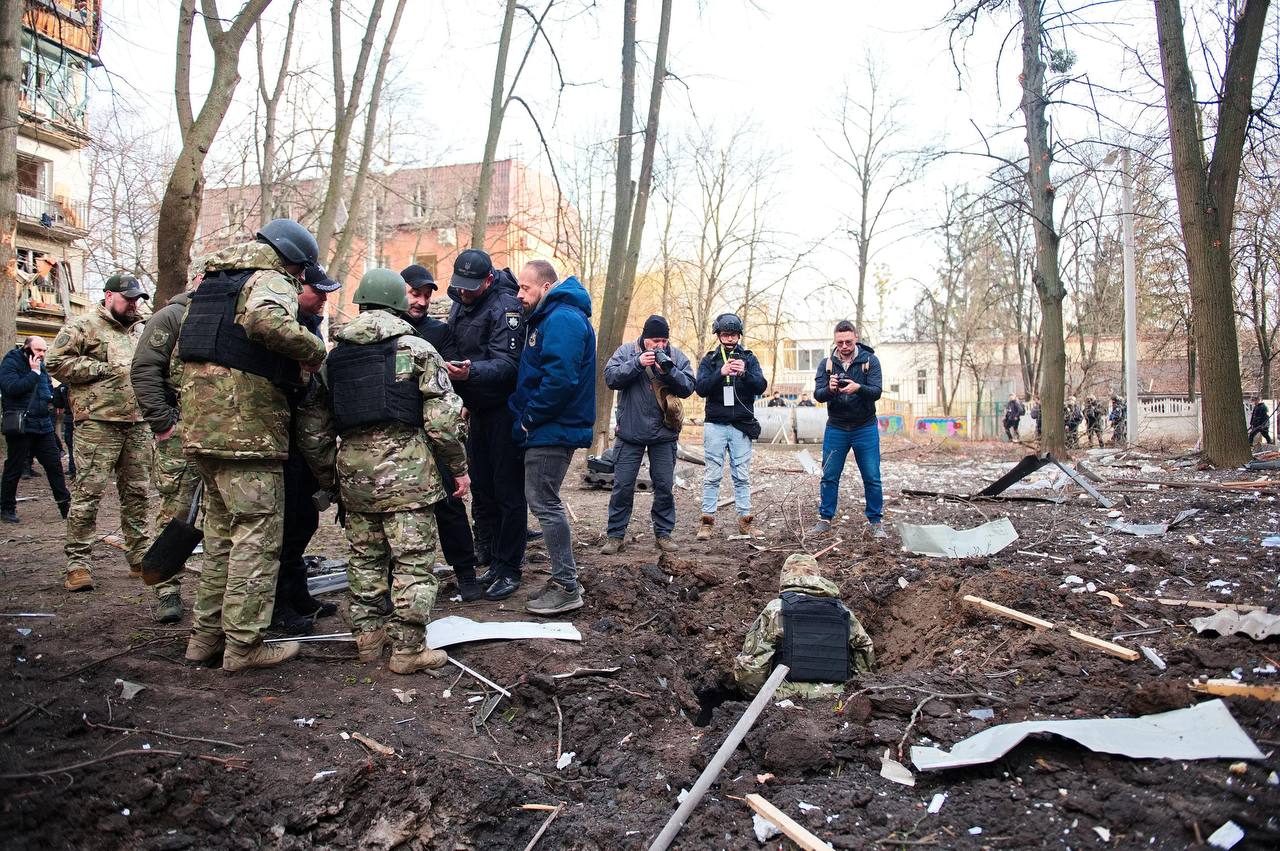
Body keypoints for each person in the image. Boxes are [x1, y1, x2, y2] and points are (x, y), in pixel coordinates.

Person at [297, 268, 470, 673]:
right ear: (397, 303)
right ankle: (408, 651)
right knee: (413, 562)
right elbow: (443, 423)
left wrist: (330, 477)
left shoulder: (334, 357)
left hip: (354, 475)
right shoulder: (419, 350)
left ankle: (368, 639)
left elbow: (313, 428)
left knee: (365, 559)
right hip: (409, 477)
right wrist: (458, 467)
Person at [175, 218, 328, 672]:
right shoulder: (269, 279)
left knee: (221, 536)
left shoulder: (211, 285)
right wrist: (314, 353)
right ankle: (244, 645)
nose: (301, 281)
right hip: (248, 432)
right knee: (257, 538)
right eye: (302, 272)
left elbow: (181, 355)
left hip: (203, 429)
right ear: (293, 262)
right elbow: (266, 321)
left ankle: (205, 638)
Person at [46, 275, 152, 593]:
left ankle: (139, 557)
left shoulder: (142, 330)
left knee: (137, 495)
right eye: (128, 298)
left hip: (138, 423)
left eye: (137, 299)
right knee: (87, 495)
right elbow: (54, 362)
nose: (134, 304)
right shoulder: (83, 326)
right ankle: (78, 564)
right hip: (98, 423)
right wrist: (101, 368)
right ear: (109, 296)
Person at [510, 259, 594, 616]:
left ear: (546, 287)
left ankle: (566, 584)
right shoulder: (552, 317)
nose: (519, 295)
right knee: (544, 500)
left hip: (551, 428)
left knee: (544, 501)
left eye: (525, 288)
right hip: (548, 426)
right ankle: (564, 578)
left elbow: (560, 379)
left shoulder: (561, 319)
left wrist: (530, 418)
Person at [446, 249, 528, 602]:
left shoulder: (506, 307)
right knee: (483, 488)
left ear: (489, 280)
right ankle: (493, 560)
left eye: (471, 287)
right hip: (475, 408)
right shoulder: (458, 300)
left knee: (508, 491)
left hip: (502, 409)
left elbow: (509, 364)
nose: (464, 293)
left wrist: (470, 372)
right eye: (460, 286)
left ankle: (510, 566)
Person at [400, 263, 481, 600]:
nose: (421, 302)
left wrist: (448, 372)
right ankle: (400, 581)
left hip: (435, 433)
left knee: (449, 503)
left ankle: (466, 574)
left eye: (426, 297)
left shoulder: (439, 331)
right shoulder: (385, 329)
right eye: (414, 294)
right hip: (399, 436)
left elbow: (452, 377)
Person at [130, 279, 201, 623]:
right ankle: (167, 589)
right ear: (198, 279)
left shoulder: (227, 312)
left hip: (216, 434)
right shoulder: (171, 316)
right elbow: (144, 369)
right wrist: (164, 423)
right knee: (175, 509)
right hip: (179, 433)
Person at [601, 314, 695, 554]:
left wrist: (668, 371)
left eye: (663, 340)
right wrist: (637, 363)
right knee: (622, 486)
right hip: (630, 434)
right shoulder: (626, 352)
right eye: (655, 340)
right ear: (644, 338)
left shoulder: (676, 356)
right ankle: (615, 536)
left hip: (664, 434)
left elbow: (688, 387)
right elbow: (610, 378)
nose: (659, 345)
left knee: (664, 486)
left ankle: (663, 534)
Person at [732, 553, 875, 699]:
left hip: (786, 696)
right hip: (838, 696)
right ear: (817, 576)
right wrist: (856, 691)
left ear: (785, 577)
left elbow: (753, 667)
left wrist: (755, 697)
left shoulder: (776, 609)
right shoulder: (843, 611)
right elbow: (864, 650)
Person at [808, 321, 884, 539]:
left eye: (848, 342)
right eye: (840, 342)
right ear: (835, 341)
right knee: (829, 475)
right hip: (837, 427)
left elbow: (877, 391)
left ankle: (876, 521)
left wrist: (858, 388)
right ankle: (825, 519)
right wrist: (830, 390)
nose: (844, 346)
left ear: (856, 338)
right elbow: (818, 395)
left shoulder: (870, 361)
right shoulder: (827, 364)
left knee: (872, 476)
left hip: (865, 426)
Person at [694, 313, 767, 540]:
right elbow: (701, 388)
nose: (729, 338)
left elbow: (761, 386)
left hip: (740, 424)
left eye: (733, 334)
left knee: (742, 475)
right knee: (712, 474)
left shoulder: (749, 358)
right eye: (725, 334)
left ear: (739, 335)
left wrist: (744, 373)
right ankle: (707, 522)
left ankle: (745, 521)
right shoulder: (710, 360)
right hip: (715, 423)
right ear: (718, 335)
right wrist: (721, 373)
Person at [1, 336, 70, 524]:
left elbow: (44, 388)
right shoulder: (11, 362)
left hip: (43, 424)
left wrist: (53, 397)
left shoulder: (41, 365)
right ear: (26, 348)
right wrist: (33, 373)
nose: (41, 354)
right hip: (21, 425)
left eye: (44, 351)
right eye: (38, 350)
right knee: (14, 468)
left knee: (54, 465)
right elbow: (10, 388)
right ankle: (7, 508)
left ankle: (66, 507)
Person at [51, 381, 74, 478]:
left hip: (70, 418)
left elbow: (57, 403)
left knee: (71, 445)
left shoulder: (63, 386)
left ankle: (73, 469)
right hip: (86, 418)